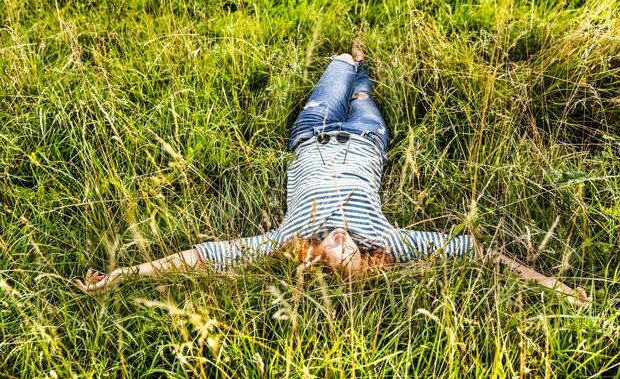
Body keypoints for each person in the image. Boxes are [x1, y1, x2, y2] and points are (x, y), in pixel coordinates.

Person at [76, 42, 588, 308]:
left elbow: (200, 259)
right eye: (345, 254)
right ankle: (364, 72)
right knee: (363, 93)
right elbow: (474, 251)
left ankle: (352, 58)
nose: (338, 241)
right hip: (366, 138)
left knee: (339, 66)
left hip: (312, 132)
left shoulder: (287, 240)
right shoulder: (387, 241)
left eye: (329, 253)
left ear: (312, 259)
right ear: (361, 264)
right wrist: (550, 284)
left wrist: (123, 275)